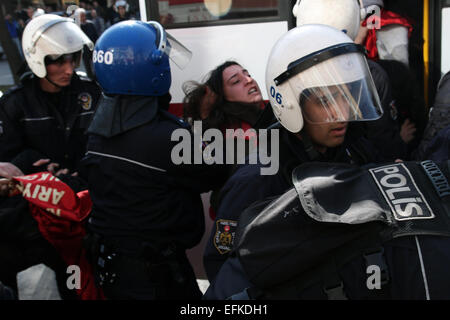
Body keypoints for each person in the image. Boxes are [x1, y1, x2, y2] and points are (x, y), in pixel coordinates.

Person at [203, 24, 385, 298]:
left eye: (346, 95)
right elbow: (223, 272)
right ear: (290, 104)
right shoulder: (258, 179)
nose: (342, 111)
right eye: (325, 100)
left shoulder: (353, 151)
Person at [82, 20, 226, 300]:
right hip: (158, 278)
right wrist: (206, 120)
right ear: (154, 71)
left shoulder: (96, 129)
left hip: (113, 269)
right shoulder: (168, 137)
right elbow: (217, 169)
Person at [0, 13, 101, 299]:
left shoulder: (93, 93)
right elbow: (6, 160)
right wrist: (33, 166)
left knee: (93, 278)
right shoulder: (14, 105)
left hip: (90, 206)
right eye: (58, 60)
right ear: (38, 60)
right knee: (66, 279)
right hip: (43, 217)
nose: (68, 68)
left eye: (73, 59)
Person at [183, 61, 275, 219]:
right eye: (236, 81)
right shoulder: (226, 136)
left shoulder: (271, 116)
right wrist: (202, 120)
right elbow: (203, 169)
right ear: (223, 97)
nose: (248, 80)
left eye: (247, 74)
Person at [74, 8, 98, 79]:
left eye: (84, 16)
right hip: (84, 50)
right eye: (81, 16)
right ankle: (91, 78)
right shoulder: (76, 27)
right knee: (87, 65)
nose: (83, 18)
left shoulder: (90, 24)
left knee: (96, 64)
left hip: (93, 48)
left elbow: (95, 36)